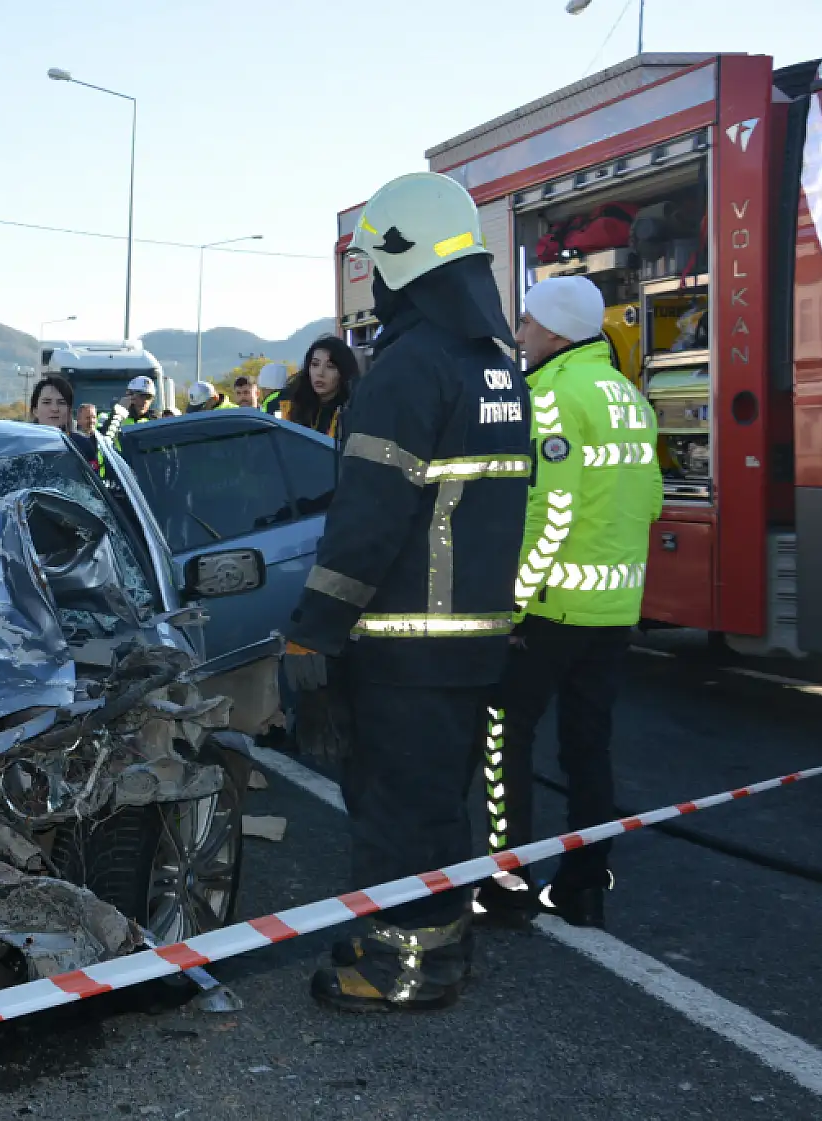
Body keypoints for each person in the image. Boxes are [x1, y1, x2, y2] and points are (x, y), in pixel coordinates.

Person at [284, 171, 531, 1012]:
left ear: (402, 260)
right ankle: (422, 946)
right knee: (435, 807)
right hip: (474, 640)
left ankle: (402, 968)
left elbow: (368, 520)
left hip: (402, 640)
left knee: (396, 814)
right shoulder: (497, 366)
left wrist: (313, 630)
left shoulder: (406, 367)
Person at [478, 275, 661, 930]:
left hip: (552, 608)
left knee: (504, 734)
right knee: (589, 748)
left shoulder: (551, 395)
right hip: (614, 610)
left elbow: (546, 512)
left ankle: (509, 882)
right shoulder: (626, 396)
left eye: (526, 323)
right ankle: (585, 886)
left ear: (554, 330)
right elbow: (651, 499)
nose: (519, 334)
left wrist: (515, 607)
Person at [278, 337, 361, 437]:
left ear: (344, 372)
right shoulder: (292, 406)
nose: (320, 373)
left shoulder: (354, 413)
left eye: (330, 366)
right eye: (315, 364)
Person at [100, 374, 158, 440]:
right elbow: (103, 439)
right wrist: (118, 413)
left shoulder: (154, 421)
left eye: (148, 397)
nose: (145, 401)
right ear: (129, 396)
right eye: (141, 396)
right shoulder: (106, 417)